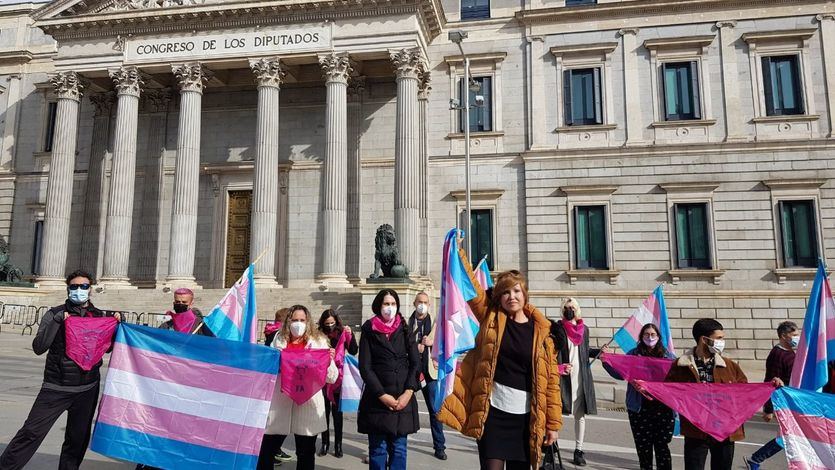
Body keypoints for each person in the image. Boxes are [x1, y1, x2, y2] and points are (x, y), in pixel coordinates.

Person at [439, 251, 562, 470]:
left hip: (526, 418)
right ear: (499, 297)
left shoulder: (543, 334)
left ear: (525, 295)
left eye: (516, 291)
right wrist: (459, 253)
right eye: (505, 292)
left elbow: (551, 383)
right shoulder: (491, 317)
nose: (511, 296)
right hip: (493, 414)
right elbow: (473, 289)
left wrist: (553, 424)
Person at [0, 270, 122, 470]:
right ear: (68, 289)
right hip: (56, 387)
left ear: (90, 290)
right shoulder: (54, 314)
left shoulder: (98, 316)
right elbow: (39, 347)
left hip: (87, 388)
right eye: (74, 286)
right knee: (30, 433)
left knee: (77, 440)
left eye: (84, 286)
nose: (79, 290)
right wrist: (57, 322)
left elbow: (106, 348)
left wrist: (117, 325)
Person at [258, 305, 338, 470]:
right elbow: (269, 369)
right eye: (295, 320)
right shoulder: (278, 339)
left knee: (306, 454)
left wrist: (329, 361)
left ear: (308, 322)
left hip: (307, 405)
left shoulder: (319, 342)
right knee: (266, 452)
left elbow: (331, 377)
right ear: (288, 321)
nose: (298, 324)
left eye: (302, 320)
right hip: (280, 404)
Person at [664, 319, 749, 470]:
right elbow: (668, 392)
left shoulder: (730, 366)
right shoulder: (680, 366)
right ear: (704, 339)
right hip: (696, 431)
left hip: (724, 431)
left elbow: (746, 393)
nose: (722, 342)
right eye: (719, 338)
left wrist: (771, 386)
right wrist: (645, 388)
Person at [357, 289, 421, 470]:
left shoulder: (406, 329)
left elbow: (416, 364)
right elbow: (365, 367)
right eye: (386, 304)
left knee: (399, 449)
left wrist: (408, 392)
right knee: (378, 449)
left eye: (393, 304)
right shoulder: (369, 329)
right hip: (377, 400)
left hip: (403, 399)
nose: (390, 308)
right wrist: (382, 395)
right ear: (379, 306)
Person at [601, 323, 676, 470]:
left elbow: (674, 380)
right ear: (641, 337)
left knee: (662, 448)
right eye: (646, 335)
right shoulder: (633, 354)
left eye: (653, 335)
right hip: (639, 408)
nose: (650, 337)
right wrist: (607, 361)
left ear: (658, 337)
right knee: (643, 448)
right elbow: (620, 373)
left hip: (663, 408)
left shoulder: (668, 356)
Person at [744, 321, 799, 470]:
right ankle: (755, 459)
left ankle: (755, 459)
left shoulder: (791, 353)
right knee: (786, 437)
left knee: (790, 437)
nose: (797, 337)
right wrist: (768, 409)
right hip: (783, 403)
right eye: (794, 335)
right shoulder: (777, 354)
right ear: (783, 336)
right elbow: (770, 381)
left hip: (792, 401)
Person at [550, 297, 597, 467]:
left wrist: (600, 351)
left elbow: (585, 350)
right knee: (556, 414)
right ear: (562, 310)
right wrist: (558, 367)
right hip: (563, 377)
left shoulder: (584, 330)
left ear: (577, 310)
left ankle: (579, 450)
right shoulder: (557, 329)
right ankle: (552, 449)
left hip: (580, 376)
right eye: (566, 307)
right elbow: (551, 352)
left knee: (580, 416)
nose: (569, 310)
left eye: (572, 307)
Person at [407, 291, 447, 460]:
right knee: (402, 408)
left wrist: (433, 344)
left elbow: (446, 345)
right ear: (414, 303)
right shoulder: (407, 324)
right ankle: (395, 443)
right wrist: (415, 346)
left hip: (429, 373)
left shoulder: (436, 325)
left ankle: (439, 446)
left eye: (425, 302)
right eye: (419, 301)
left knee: (435, 410)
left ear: (429, 305)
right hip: (411, 373)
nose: (422, 304)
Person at [317, 308, 358, 458]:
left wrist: (350, 336)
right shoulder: (318, 334)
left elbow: (353, 350)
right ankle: (325, 443)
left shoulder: (342, 332)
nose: (329, 326)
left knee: (337, 413)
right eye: (327, 323)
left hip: (338, 377)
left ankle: (338, 445)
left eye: (332, 323)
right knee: (324, 412)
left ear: (336, 321)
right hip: (322, 377)